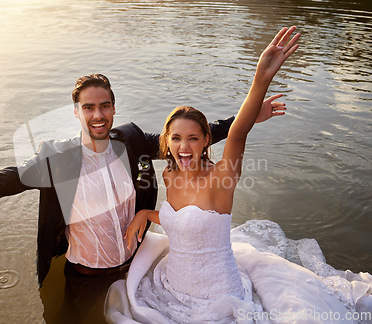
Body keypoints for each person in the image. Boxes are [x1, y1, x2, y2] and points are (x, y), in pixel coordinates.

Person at [0, 71, 285, 322]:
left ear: (113, 108)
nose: (98, 115)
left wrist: (247, 119)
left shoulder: (131, 141)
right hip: (86, 277)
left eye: (105, 106)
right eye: (89, 107)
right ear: (76, 112)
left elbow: (187, 139)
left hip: (136, 268)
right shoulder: (57, 161)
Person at [105, 26, 371, 323]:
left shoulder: (222, 178)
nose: (184, 146)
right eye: (176, 138)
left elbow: (237, 133)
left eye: (193, 138)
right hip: (170, 285)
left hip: (218, 298)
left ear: (206, 140)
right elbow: (179, 220)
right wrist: (145, 213)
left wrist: (262, 78)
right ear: (167, 140)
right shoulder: (169, 175)